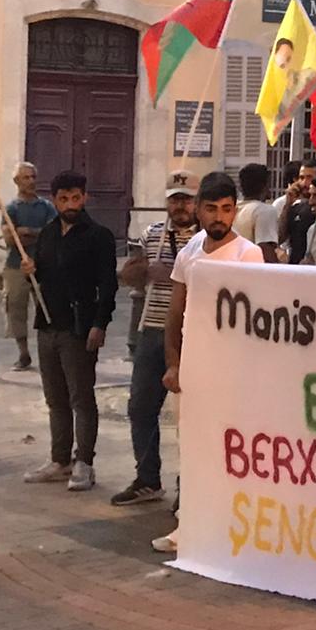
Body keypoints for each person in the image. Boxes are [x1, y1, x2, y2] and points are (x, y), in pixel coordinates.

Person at [156, 171, 266, 553]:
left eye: (227, 209)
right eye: (212, 209)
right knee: (192, 449)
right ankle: (189, 527)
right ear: (198, 210)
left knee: (230, 451)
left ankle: (231, 526)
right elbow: (175, 312)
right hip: (192, 368)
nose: (220, 217)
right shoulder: (189, 251)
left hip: (231, 372)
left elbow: (256, 320)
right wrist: (173, 363)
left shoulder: (249, 254)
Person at [19, 170, 117, 491]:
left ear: (84, 197)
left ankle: (84, 462)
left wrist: (99, 324)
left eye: (76, 198)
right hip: (47, 325)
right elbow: (41, 278)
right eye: (64, 199)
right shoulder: (48, 234)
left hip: (79, 328)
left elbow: (108, 285)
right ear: (55, 200)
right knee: (55, 398)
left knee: (81, 398)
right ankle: (59, 460)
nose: (71, 204)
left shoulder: (98, 236)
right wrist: (29, 272)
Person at [112, 171, 197, 507]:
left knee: (190, 415)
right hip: (152, 327)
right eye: (175, 199)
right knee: (141, 407)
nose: (180, 206)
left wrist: (177, 275)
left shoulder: (205, 239)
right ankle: (147, 478)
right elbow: (129, 277)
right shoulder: (153, 234)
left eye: (186, 199)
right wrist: (144, 270)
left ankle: (189, 486)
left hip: (191, 334)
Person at [2, 161, 54, 371]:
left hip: (43, 265)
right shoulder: (11, 208)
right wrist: (24, 235)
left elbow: (52, 234)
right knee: (15, 307)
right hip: (16, 264)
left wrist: (28, 231)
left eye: (33, 177)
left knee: (47, 307)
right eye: (26, 177)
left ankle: (48, 351)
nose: (31, 181)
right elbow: (10, 239)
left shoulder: (46, 207)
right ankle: (23, 353)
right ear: (17, 181)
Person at [232, 162, 280, 264]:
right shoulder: (265, 211)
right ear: (265, 186)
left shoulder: (232, 208)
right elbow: (265, 250)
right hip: (253, 269)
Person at [276, 159, 316, 264]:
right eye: (301, 178)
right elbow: (280, 237)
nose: (304, 183)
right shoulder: (295, 207)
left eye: (309, 178)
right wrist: (288, 204)